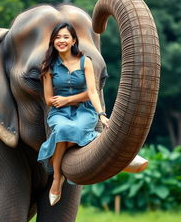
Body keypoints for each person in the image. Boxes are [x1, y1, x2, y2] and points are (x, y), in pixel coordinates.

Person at [38, 22, 148, 206]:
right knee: (63, 128)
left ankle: (59, 175)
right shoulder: (48, 66)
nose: (61, 41)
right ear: (53, 42)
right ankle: (58, 178)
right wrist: (64, 102)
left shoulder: (85, 61)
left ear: (73, 40)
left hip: (84, 110)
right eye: (57, 37)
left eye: (65, 37)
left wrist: (101, 114)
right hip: (59, 113)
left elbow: (92, 91)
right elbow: (49, 100)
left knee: (66, 133)